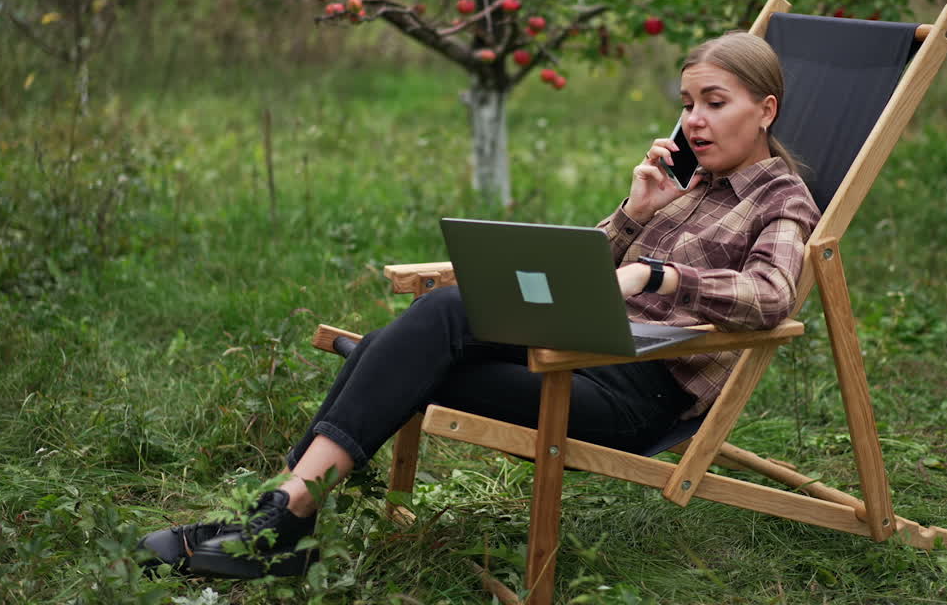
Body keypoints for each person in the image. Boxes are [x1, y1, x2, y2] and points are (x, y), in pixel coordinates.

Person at [137, 31, 821, 579]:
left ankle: (275, 521)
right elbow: (584, 275)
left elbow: (772, 296)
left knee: (407, 342)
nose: (695, 120)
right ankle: (280, 517)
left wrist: (658, 274)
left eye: (715, 102)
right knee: (422, 333)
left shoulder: (781, 202)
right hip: (582, 348)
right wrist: (634, 215)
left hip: (636, 394)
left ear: (766, 110)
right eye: (688, 103)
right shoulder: (687, 184)